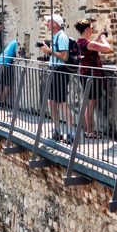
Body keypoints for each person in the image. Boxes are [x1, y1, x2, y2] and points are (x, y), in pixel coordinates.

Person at [75, 19, 113, 139]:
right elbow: (107, 48)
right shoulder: (88, 44)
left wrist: (99, 36)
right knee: (91, 105)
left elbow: (91, 44)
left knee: (88, 104)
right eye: (91, 28)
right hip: (92, 76)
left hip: (85, 74)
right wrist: (103, 38)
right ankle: (90, 131)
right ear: (87, 29)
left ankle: (86, 130)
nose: (92, 29)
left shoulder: (81, 41)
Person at [38, 13, 71, 142]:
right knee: (51, 102)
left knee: (62, 103)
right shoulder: (55, 37)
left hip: (60, 72)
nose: (47, 24)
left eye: (49, 22)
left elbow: (64, 57)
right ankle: (57, 130)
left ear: (55, 24)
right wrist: (47, 52)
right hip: (54, 71)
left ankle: (71, 132)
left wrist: (49, 51)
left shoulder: (62, 37)